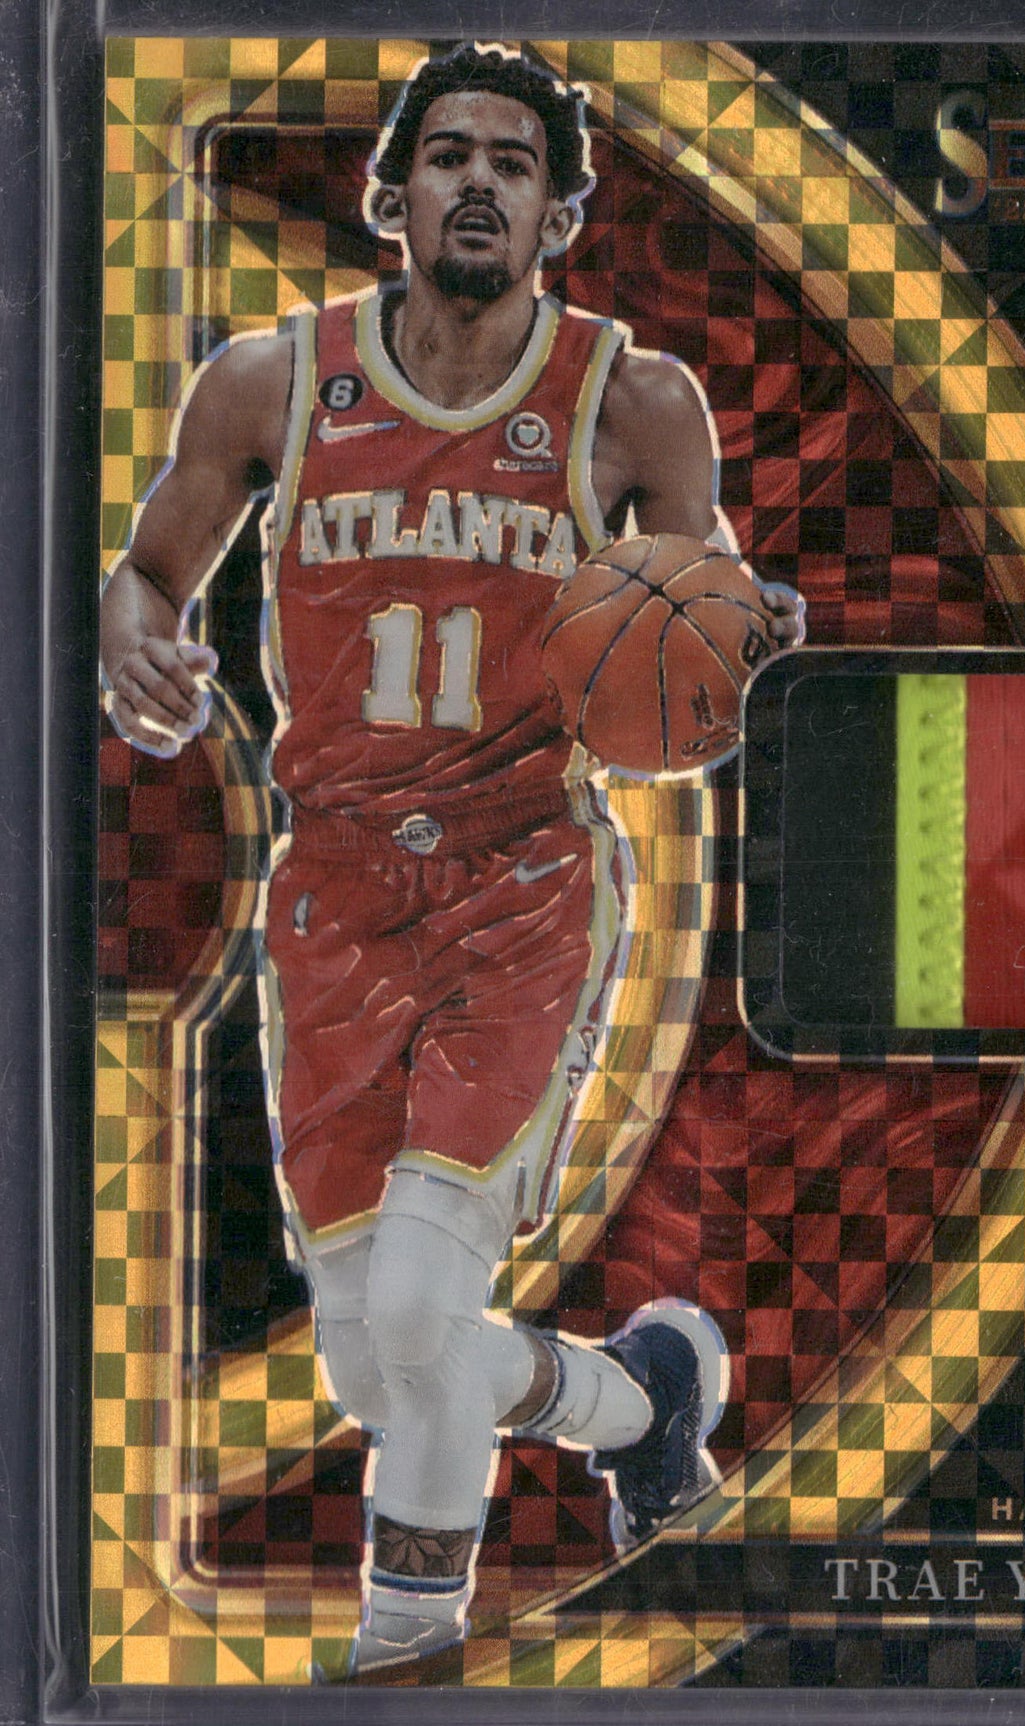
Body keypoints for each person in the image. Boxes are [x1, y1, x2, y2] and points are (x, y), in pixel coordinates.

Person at [99, 42, 804, 1675]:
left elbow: (702, 649)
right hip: (332, 896)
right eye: (448, 155)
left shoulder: (633, 400)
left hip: (520, 886)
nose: (477, 181)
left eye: (512, 163)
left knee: (418, 1315)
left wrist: (749, 634)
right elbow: (147, 573)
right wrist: (132, 640)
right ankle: (640, 1397)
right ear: (391, 194)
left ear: (559, 216)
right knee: (372, 1362)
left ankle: (403, 1655)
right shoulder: (269, 383)